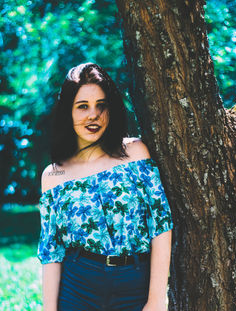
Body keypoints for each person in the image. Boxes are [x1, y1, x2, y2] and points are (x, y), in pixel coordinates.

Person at [37, 62, 173, 311]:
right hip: (78, 287)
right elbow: (51, 251)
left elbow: (161, 226)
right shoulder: (54, 175)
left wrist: (156, 299)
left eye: (101, 105)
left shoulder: (134, 153)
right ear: (68, 111)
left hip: (134, 283)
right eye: (82, 107)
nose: (93, 115)